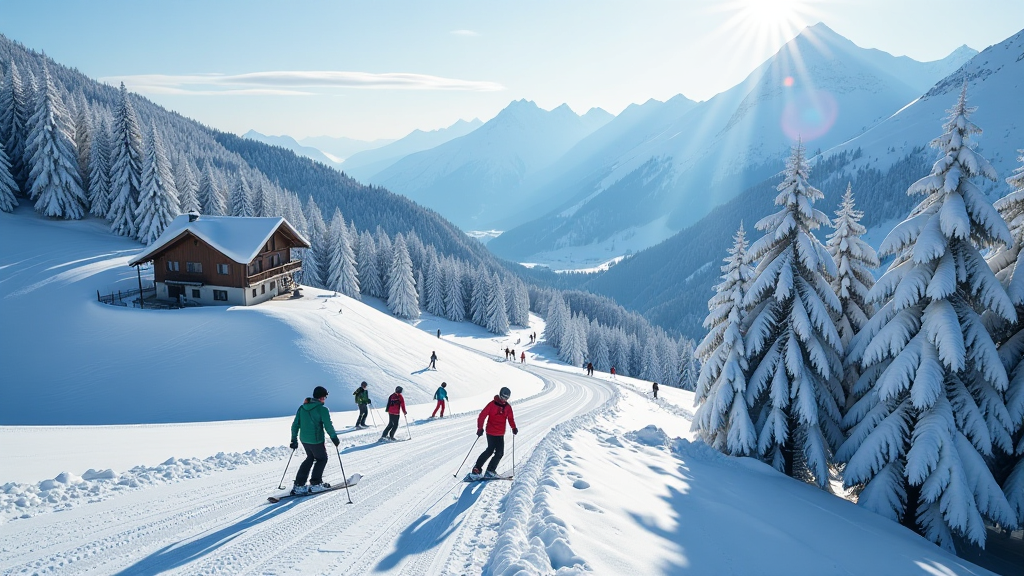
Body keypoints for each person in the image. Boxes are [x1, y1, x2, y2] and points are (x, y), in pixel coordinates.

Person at [289, 386, 340, 495]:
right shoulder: (322, 409)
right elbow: (328, 426)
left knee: (310, 458)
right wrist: (334, 438)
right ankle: (316, 484)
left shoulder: (302, 408)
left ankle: (299, 484)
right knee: (322, 459)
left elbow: (295, 425)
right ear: (321, 397)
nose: (325, 399)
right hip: (316, 440)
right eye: (325, 397)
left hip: (304, 439)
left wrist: (294, 439)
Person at [472, 387, 518, 478]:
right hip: (491, 432)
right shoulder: (492, 404)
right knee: (490, 450)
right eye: (503, 397)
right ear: (500, 395)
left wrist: (513, 427)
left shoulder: (507, 407)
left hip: (500, 434)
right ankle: (477, 468)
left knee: (499, 453)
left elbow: (510, 418)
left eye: (506, 398)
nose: (504, 399)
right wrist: (480, 428)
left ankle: (490, 470)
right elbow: (482, 416)